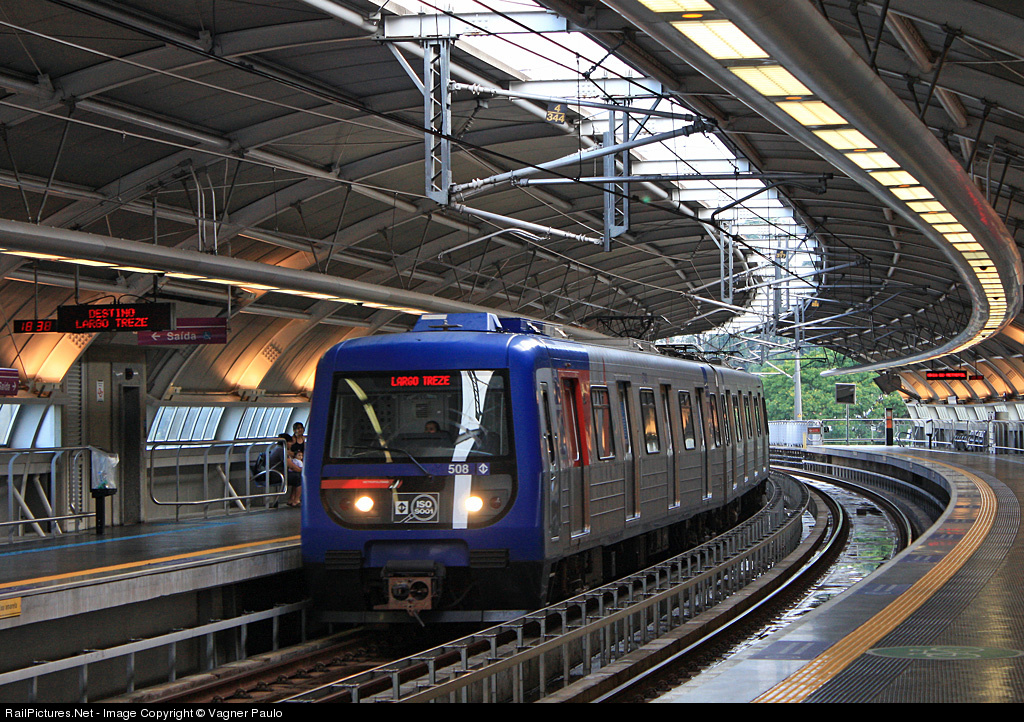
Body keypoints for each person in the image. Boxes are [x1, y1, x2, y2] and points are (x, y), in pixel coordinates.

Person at [269, 433, 302, 507]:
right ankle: (296, 500)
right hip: (277, 475)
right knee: (299, 477)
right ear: (286, 442)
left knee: (296, 477)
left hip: (274, 474)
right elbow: (291, 465)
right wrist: (301, 470)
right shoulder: (281, 451)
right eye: (290, 442)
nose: (291, 444)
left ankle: (292, 499)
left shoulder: (276, 449)